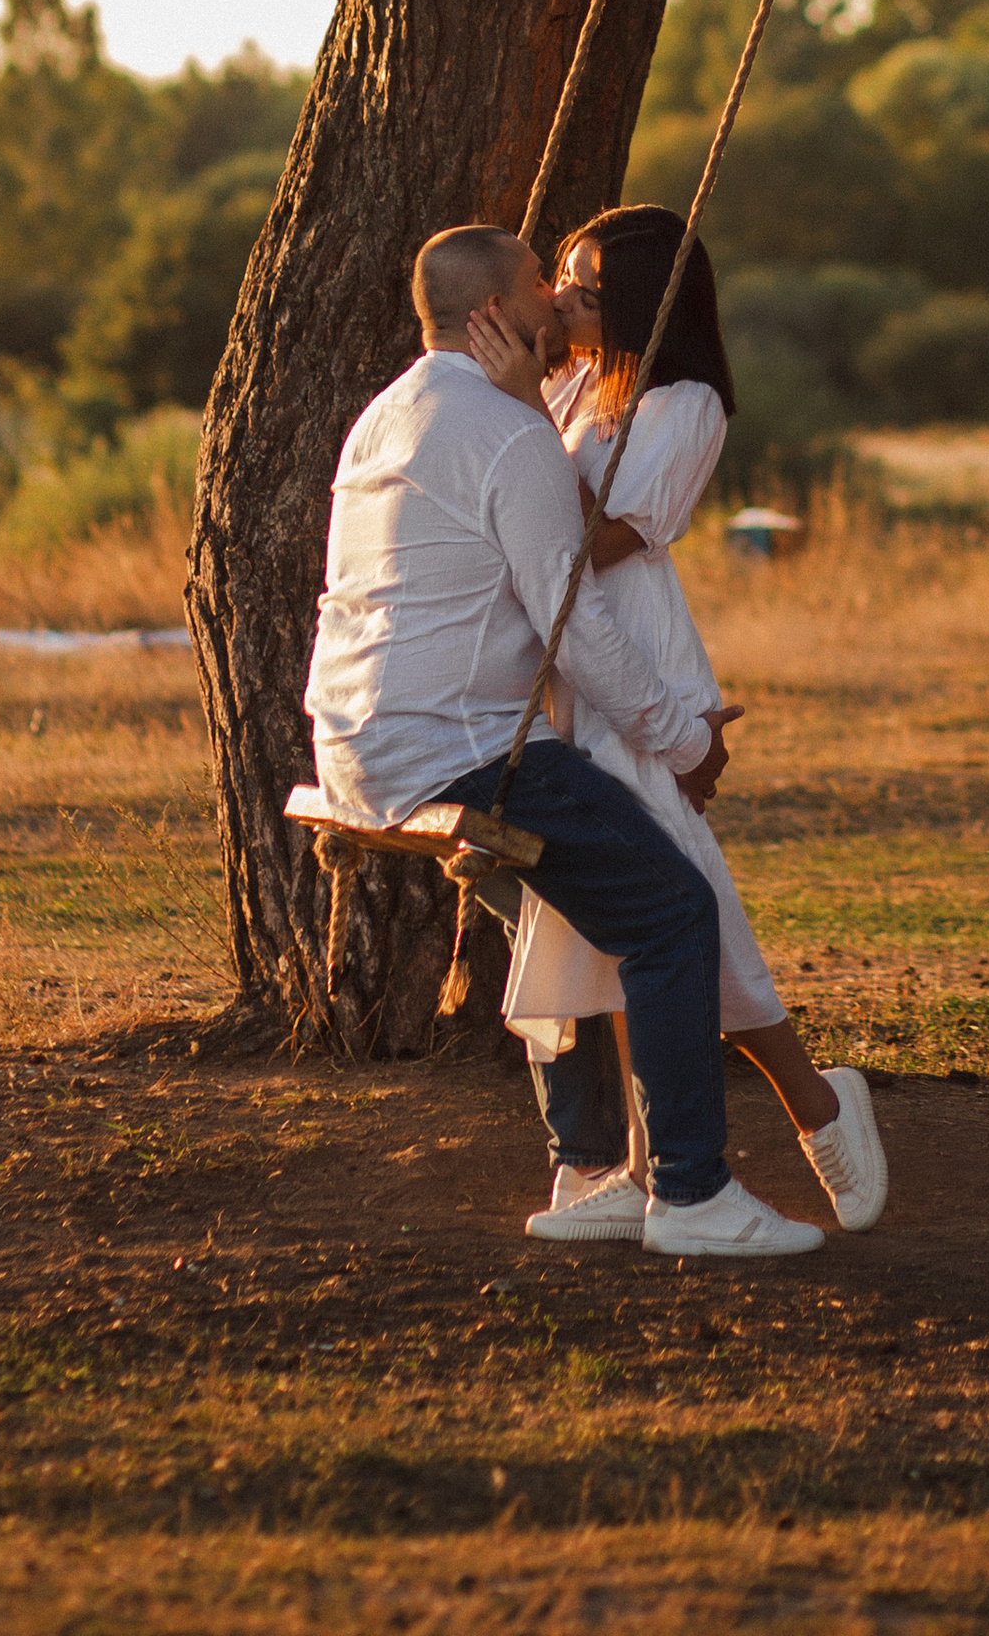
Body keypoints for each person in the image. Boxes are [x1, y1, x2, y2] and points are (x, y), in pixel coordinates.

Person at [304, 220, 825, 1261]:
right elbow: (573, 619)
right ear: (497, 311)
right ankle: (691, 1194)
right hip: (459, 750)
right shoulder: (510, 433)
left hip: (358, 741)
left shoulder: (392, 411)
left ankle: (600, 1171)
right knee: (672, 908)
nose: (559, 302)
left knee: (606, 897)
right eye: (545, 284)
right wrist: (683, 740)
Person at [466, 204, 888, 1241]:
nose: (559, 298)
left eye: (585, 287)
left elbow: (597, 542)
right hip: (572, 680)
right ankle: (656, 1169)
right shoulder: (567, 388)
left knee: (683, 905)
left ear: (644, 305)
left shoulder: (682, 403)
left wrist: (521, 418)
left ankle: (818, 1106)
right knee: (616, 923)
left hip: (634, 668)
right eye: (557, 275)